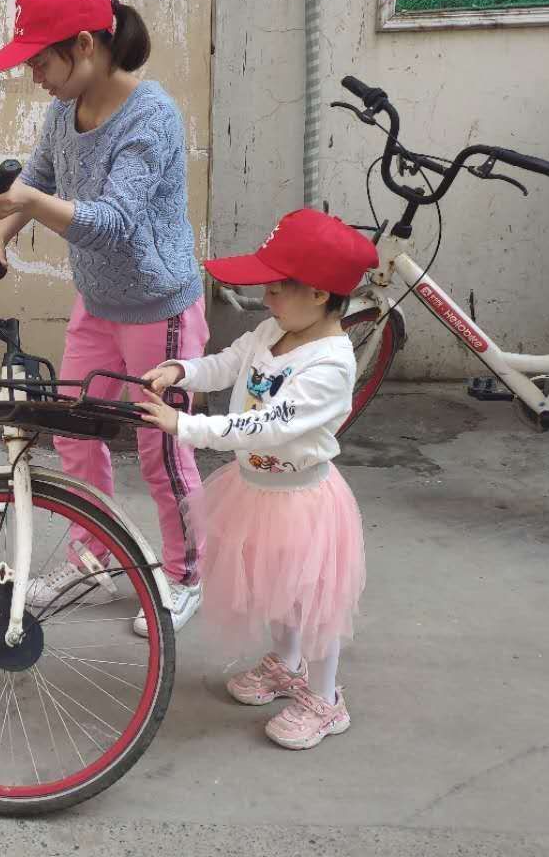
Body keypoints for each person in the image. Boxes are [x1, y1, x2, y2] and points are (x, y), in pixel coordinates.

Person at [0, 0, 208, 633]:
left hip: (159, 310)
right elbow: (37, 178)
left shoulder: (152, 117)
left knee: (162, 451)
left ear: (84, 45)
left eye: (39, 62)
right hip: (98, 303)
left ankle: (186, 574)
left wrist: (27, 202)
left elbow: (114, 223)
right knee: (74, 435)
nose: (35, 78)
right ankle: (94, 556)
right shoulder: (63, 112)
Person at [136, 209, 377, 749]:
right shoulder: (276, 329)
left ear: (319, 293)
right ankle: (287, 665)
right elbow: (227, 363)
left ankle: (326, 698)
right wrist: (182, 370)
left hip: (302, 501)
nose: (265, 297)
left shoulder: (331, 364)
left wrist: (187, 426)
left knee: (313, 604)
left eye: (276, 287)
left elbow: (266, 424)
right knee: (276, 589)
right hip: (255, 492)